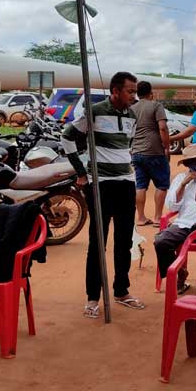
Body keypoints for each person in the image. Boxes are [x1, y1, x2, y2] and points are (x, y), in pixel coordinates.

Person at [62, 72, 145, 318]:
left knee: (124, 241)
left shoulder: (132, 115)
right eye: (130, 91)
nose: (134, 96)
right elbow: (67, 137)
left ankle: (121, 291)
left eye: (135, 91)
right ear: (116, 91)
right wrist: (81, 172)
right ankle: (92, 298)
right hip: (101, 185)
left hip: (126, 184)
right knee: (98, 242)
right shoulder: (95, 112)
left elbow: (125, 147)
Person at [154, 143, 196, 293]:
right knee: (161, 241)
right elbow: (172, 207)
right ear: (186, 164)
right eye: (191, 162)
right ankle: (179, 273)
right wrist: (183, 185)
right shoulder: (180, 178)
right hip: (185, 225)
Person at [130, 81, 171, 226]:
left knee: (140, 185)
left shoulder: (132, 108)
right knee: (161, 184)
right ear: (150, 93)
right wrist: (166, 147)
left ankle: (141, 217)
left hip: (137, 151)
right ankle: (157, 218)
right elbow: (163, 127)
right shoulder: (156, 106)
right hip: (154, 151)